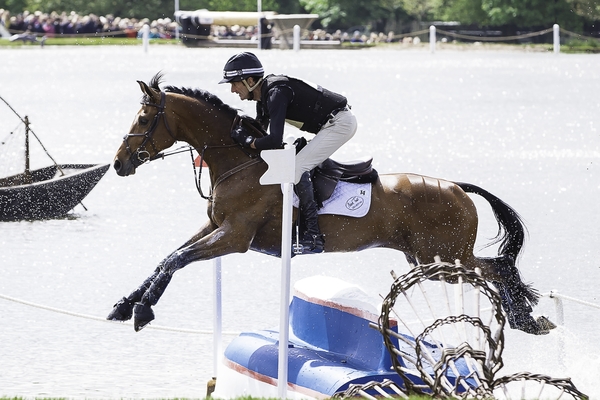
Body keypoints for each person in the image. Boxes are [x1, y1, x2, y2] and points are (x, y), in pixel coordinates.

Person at [219, 52, 358, 254]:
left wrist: (248, 141)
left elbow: (273, 140)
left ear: (250, 81)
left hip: (340, 124)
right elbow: (261, 133)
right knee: (290, 161)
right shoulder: (264, 97)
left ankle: (312, 235)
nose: (232, 89)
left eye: (234, 83)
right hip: (329, 124)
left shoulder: (276, 93)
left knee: (296, 168)